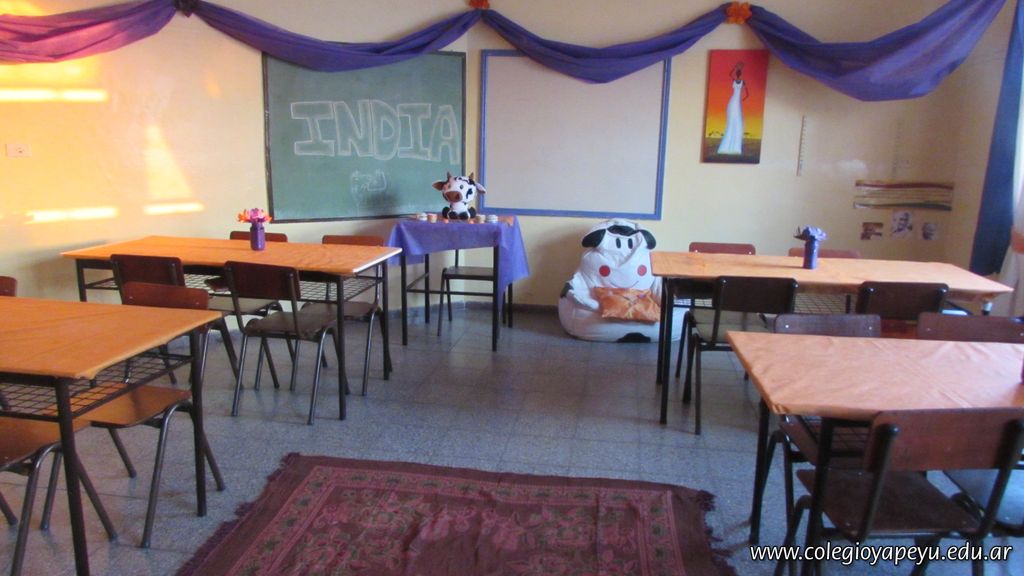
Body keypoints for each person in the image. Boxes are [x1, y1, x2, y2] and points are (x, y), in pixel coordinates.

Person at [717, 62, 748, 155]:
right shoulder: (741, 82)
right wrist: (736, 68)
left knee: (735, 121)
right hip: (735, 102)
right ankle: (732, 147)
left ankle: (732, 147)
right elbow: (747, 94)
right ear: (740, 74)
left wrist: (735, 68)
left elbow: (730, 74)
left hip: (734, 101)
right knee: (735, 122)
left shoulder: (737, 81)